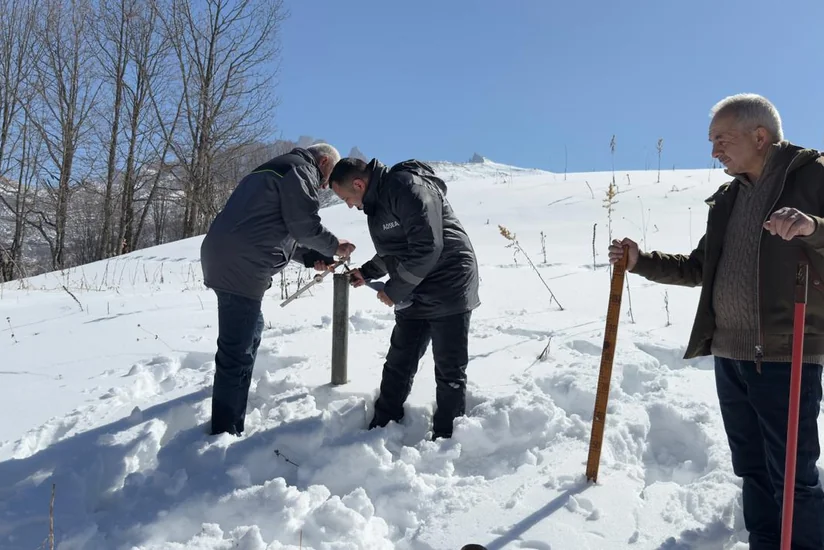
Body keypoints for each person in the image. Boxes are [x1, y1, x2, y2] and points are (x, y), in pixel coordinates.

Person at [609, 93, 824, 549]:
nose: (714, 152)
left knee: (792, 478)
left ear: (760, 136)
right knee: (752, 469)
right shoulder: (729, 197)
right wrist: (640, 260)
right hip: (730, 354)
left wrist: (813, 227)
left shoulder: (813, 176)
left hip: (788, 352)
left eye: (722, 140)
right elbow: (699, 266)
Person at [201, 143, 356, 436]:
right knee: (237, 350)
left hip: (224, 255)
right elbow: (302, 226)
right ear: (323, 162)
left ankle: (232, 407)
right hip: (242, 264)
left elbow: (276, 228)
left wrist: (314, 258)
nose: (326, 186)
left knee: (250, 329)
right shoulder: (300, 171)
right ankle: (225, 431)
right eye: (328, 178)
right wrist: (335, 246)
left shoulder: (277, 168)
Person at [328, 156, 480, 439]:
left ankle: (448, 439)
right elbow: (394, 250)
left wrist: (394, 291)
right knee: (399, 360)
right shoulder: (377, 206)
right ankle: (382, 426)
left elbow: (427, 247)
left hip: (449, 282)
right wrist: (368, 272)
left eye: (346, 197)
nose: (348, 204)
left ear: (359, 184)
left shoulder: (407, 187)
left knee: (449, 368)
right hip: (416, 287)